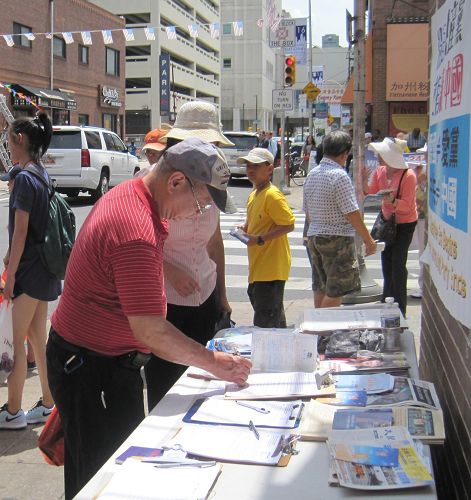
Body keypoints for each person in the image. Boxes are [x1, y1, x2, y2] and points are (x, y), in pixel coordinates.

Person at [46, 137, 251, 499]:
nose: (197, 214)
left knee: (118, 468)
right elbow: (152, 330)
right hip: (90, 368)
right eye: (201, 204)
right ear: (176, 182)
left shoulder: (135, 196)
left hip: (105, 362)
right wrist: (213, 362)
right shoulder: (136, 229)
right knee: (100, 482)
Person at [143, 101, 237, 411]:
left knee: (203, 382)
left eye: (210, 143)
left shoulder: (213, 178)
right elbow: (137, 244)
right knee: (165, 386)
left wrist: (222, 294)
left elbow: (215, 241)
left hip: (204, 296)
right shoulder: (154, 183)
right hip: (165, 301)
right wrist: (169, 270)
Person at [0, 113, 60, 430]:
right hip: (45, 270)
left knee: (16, 342)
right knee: (38, 340)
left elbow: (21, 232)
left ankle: (12, 412)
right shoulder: (41, 173)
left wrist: (10, 279)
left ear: (20, 140)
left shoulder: (24, 179)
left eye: (9, 141)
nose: (8, 148)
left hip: (29, 272)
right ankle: (49, 405)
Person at [303, 131, 377, 308]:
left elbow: (308, 212)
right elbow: (351, 212)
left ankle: (319, 330)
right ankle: (323, 328)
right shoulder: (339, 175)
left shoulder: (312, 174)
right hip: (336, 238)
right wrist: (368, 239)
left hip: (315, 235)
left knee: (321, 285)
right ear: (345, 153)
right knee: (337, 289)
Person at [236, 148, 295, 327]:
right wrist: (244, 228)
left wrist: (260, 238)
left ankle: (271, 353)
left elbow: (288, 224)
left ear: (269, 169)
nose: (250, 170)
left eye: (255, 165)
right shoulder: (255, 193)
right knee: (272, 317)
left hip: (271, 268)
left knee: (266, 322)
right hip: (259, 267)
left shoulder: (273, 195)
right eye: (248, 166)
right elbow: (255, 219)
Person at [364, 137, 417, 316]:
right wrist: (363, 180)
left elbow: (408, 205)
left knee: (398, 264)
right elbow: (370, 191)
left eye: (382, 154)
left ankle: (400, 308)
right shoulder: (380, 171)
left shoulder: (408, 175)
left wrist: (392, 200)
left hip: (404, 223)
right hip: (387, 222)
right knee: (387, 263)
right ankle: (387, 300)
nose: (378, 157)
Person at [0, 166, 37, 372]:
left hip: (23, 270)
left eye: (10, 181)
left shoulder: (21, 200)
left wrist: (10, 273)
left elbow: (19, 235)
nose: (7, 184)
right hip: (33, 270)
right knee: (33, 326)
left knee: (20, 327)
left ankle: (13, 402)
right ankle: (32, 359)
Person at [410, 143, 427, 299]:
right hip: (421, 217)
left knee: (424, 253)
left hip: (425, 218)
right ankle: (423, 285)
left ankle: (423, 286)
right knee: (423, 252)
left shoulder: (426, 173)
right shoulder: (423, 171)